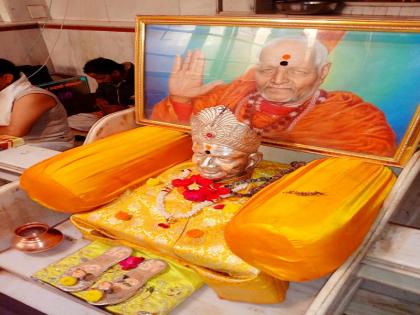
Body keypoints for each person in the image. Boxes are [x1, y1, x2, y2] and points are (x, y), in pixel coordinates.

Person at [151, 35, 397, 157]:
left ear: (323, 72)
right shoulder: (226, 96)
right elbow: (176, 142)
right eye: (267, 69)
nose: (277, 81)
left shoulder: (353, 117)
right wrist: (181, 100)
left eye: (297, 71)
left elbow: (368, 167)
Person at [0, 58, 74, 151]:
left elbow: (14, 132)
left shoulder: (31, 96)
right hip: (21, 143)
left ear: (7, 78)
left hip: (49, 145)